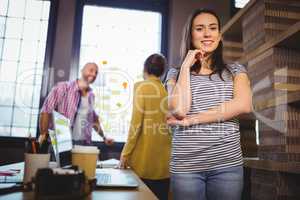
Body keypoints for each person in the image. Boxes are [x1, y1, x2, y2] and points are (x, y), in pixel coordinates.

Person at [165, 9, 252, 200]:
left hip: (227, 166)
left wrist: (193, 120)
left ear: (219, 36)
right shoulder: (175, 73)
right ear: (191, 35)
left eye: (213, 28)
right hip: (186, 167)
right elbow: (180, 110)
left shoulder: (236, 70)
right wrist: (186, 67)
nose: (207, 34)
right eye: (199, 29)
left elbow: (244, 105)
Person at [119, 54, 171, 200]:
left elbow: (136, 123)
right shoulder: (167, 91)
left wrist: (125, 153)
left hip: (143, 164)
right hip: (164, 166)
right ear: (162, 72)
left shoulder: (141, 87)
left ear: (145, 69)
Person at [39, 62, 114, 146]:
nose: (94, 74)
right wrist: (43, 135)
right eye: (91, 70)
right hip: (62, 142)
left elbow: (94, 120)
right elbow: (46, 111)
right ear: (82, 71)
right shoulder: (63, 87)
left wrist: (104, 137)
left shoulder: (91, 95)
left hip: (84, 144)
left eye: (96, 72)